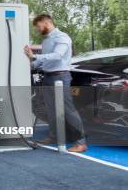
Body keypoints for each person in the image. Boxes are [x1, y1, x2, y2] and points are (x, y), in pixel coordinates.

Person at [24, 14, 87, 153]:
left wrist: (35, 55)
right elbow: (44, 61)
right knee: (51, 109)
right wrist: (31, 61)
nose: (38, 30)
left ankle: (81, 143)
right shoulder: (46, 41)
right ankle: (53, 136)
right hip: (47, 77)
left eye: (39, 27)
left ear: (47, 23)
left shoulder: (62, 37)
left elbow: (58, 56)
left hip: (61, 77)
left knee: (68, 110)